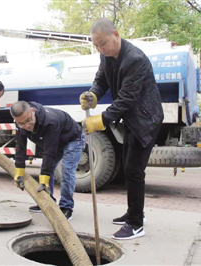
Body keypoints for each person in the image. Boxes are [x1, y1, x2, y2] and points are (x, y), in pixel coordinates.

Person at [80, 18, 164, 240]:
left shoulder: (135, 59)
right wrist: (93, 94)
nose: (100, 48)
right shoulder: (106, 56)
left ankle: (136, 224)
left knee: (134, 171)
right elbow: (101, 80)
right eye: (96, 45)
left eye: (103, 43)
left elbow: (126, 99)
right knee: (129, 169)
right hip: (130, 119)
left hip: (145, 120)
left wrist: (99, 121)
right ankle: (133, 212)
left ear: (115, 34)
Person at [11, 101, 85, 221]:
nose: (27, 126)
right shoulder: (20, 123)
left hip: (72, 139)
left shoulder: (50, 121)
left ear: (33, 112)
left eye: (28, 120)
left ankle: (66, 207)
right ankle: (48, 201)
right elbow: (20, 147)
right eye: (21, 123)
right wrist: (19, 172)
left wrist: (44, 180)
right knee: (46, 169)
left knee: (66, 172)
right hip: (56, 141)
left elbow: (49, 152)